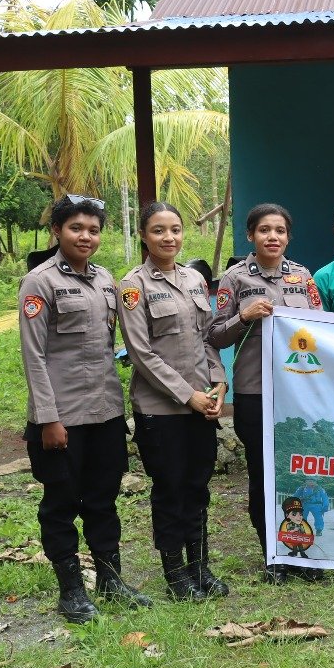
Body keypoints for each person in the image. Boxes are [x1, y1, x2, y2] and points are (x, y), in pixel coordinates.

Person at [18, 194, 150, 623]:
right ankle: (71, 591)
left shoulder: (106, 280)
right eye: (76, 228)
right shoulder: (39, 282)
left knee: (103, 500)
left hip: (105, 413)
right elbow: (34, 357)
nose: (85, 237)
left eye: (93, 230)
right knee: (60, 504)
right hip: (62, 418)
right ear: (57, 231)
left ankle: (111, 581)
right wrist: (48, 419)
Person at [207, 203, 322, 585]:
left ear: (288, 237)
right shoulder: (235, 278)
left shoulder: (302, 277)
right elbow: (215, 335)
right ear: (250, 235)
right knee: (262, 473)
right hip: (255, 391)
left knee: (298, 472)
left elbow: (322, 329)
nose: (273, 237)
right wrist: (244, 316)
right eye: (264, 230)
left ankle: (301, 551)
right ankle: (272, 554)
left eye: (280, 230)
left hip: (298, 393)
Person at [119, 202, 227, 601]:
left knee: (197, 487)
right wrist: (188, 395)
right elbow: (141, 354)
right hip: (160, 409)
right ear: (144, 236)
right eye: (159, 230)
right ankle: (176, 574)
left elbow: (207, 338)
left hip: (202, 404)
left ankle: (201, 566)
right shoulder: (133, 286)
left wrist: (218, 382)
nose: (169, 238)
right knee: (170, 489)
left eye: (175, 230)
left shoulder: (196, 279)